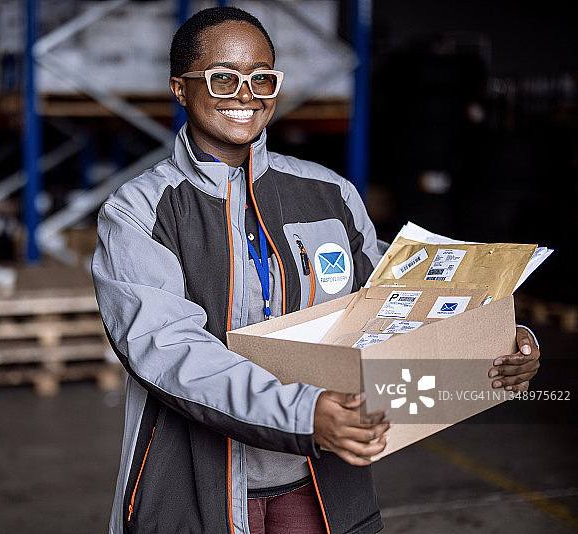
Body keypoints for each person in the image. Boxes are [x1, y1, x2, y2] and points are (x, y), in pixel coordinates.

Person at [91, 7, 540, 534]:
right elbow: (168, 349)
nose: (245, 94)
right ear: (180, 89)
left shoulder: (329, 194)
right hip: (196, 486)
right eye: (222, 78)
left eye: (261, 78)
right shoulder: (140, 211)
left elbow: (395, 304)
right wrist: (304, 414)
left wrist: (496, 339)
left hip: (321, 480)